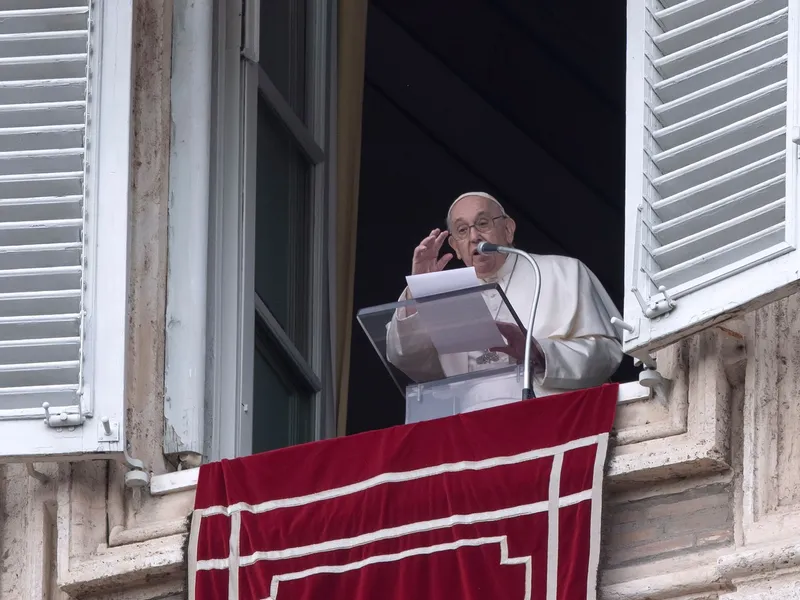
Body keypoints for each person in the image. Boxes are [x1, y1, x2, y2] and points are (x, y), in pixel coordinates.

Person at [386, 192, 623, 413]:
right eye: (461, 230)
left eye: (483, 223)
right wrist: (417, 294)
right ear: (455, 247)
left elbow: (607, 353)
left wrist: (538, 352)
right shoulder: (443, 293)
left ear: (508, 230)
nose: (474, 237)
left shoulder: (563, 271)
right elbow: (407, 359)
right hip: (470, 426)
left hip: (550, 411)